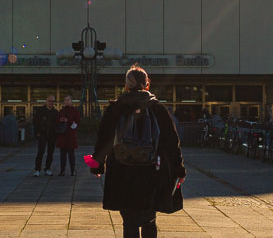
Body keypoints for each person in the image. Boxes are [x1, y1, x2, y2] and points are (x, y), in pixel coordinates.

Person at [89, 65, 186, 238]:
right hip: (151, 172)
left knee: (129, 220)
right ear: (147, 84)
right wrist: (179, 169)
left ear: (126, 86)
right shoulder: (157, 108)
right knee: (150, 218)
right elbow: (171, 142)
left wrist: (97, 166)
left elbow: (103, 140)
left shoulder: (115, 109)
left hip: (121, 171)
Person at [33, 94, 58, 176]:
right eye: (49, 101)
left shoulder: (55, 112)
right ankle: (37, 170)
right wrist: (37, 133)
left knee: (50, 152)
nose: (51, 103)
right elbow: (35, 122)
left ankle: (47, 169)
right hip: (42, 134)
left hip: (52, 135)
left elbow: (57, 124)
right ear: (46, 101)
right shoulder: (40, 111)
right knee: (40, 152)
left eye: (52, 101)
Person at [56, 95, 80, 176]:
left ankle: (72, 170)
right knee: (62, 155)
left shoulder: (75, 111)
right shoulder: (61, 111)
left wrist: (68, 121)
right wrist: (60, 120)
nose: (66, 101)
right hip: (63, 135)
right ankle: (62, 170)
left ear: (71, 101)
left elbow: (77, 122)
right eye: (65, 100)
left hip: (70, 135)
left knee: (71, 154)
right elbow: (57, 120)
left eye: (68, 100)